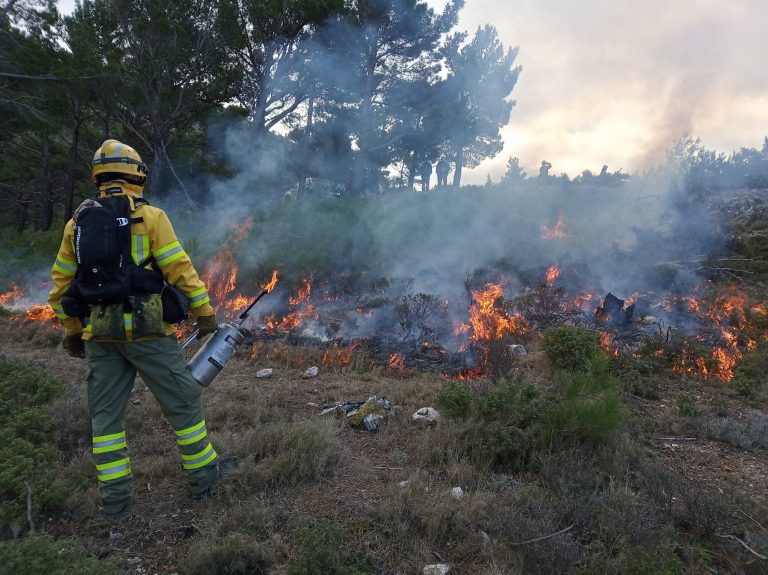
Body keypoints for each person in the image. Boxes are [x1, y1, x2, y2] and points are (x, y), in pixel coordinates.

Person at [48, 139, 226, 517]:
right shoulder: (151, 217)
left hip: (101, 336)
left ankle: (116, 503)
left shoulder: (77, 223)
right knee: (184, 404)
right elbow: (180, 269)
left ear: (99, 176)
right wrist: (204, 312)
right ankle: (205, 481)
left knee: (106, 418)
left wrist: (72, 330)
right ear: (136, 174)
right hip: (148, 333)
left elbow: (61, 286)